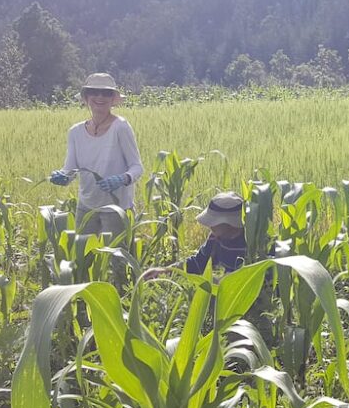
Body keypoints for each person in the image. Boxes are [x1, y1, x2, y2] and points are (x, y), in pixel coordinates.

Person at [49, 73, 144, 236]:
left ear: (113, 99)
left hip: (116, 208)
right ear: (86, 97)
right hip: (86, 207)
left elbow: (137, 167)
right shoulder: (75, 132)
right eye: (94, 92)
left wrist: (123, 178)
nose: (100, 97)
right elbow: (70, 170)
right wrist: (62, 176)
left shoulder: (120, 127)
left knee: (116, 258)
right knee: (83, 257)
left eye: (106, 93)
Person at [142, 192, 248, 279]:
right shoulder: (214, 238)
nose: (209, 226)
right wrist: (167, 271)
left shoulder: (248, 246)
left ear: (230, 224)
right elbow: (198, 262)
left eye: (214, 222)